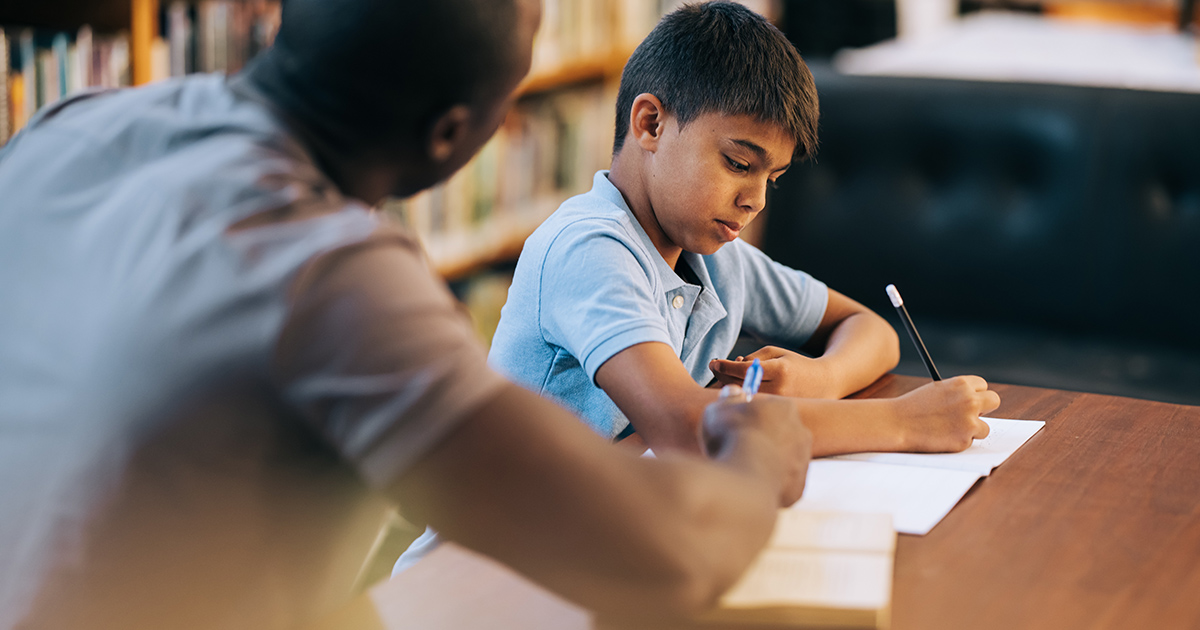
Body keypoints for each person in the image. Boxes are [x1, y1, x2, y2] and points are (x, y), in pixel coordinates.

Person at [0, 1, 814, 628]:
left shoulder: (71, 128)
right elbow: (670, 558)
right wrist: (753, 450)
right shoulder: (331, 277)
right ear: (451, 137)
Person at [487, 1, 1002, 456]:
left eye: (772, 179)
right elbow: (685, 427)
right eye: (738, 163)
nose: (754, 200)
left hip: (611, 524)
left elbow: (872, 331)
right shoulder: (589, 247)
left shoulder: (714, 256)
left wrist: (822, 377)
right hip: (497, 555)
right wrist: (902, 423)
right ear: (651, 124)